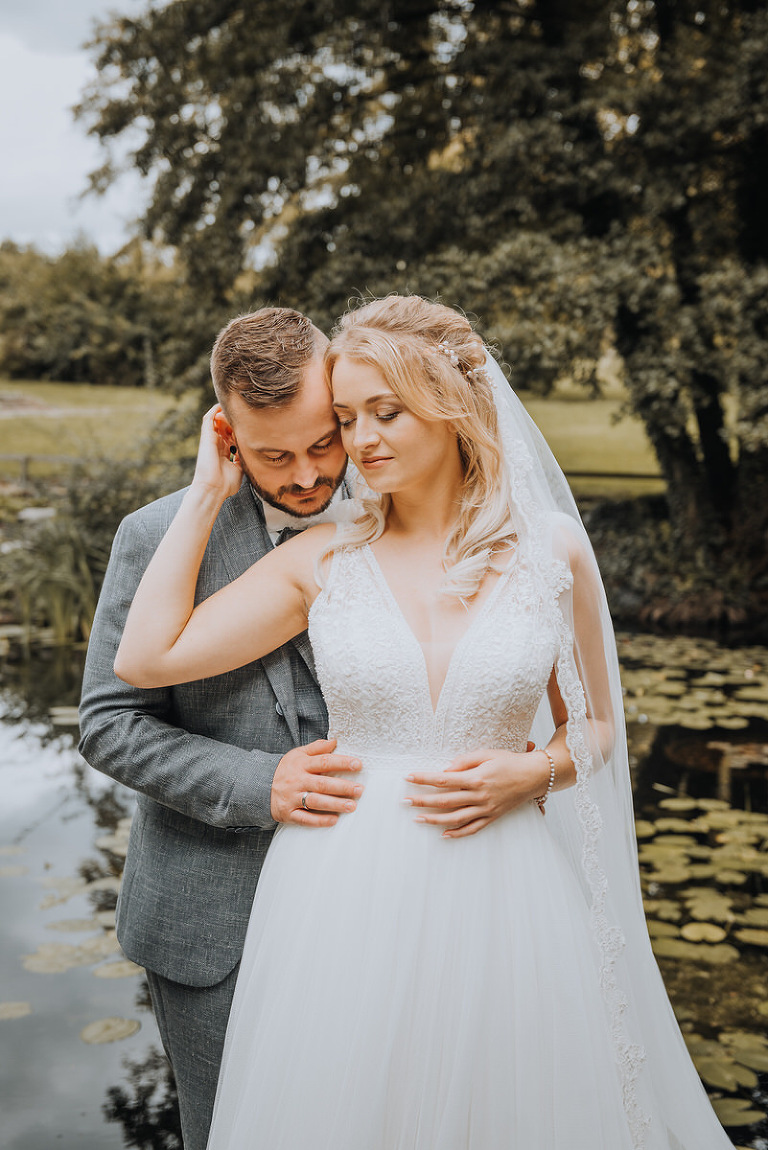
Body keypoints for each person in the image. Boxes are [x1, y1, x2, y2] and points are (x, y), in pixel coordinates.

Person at [114, 295, 735, 1150]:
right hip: (341, 895)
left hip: (508, 888)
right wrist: (207, 490)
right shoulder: (322, 559)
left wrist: (535, 772)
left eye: (384, 412)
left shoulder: (553, 551)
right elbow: (144, 664)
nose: (360, 441)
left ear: (452, 405)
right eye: (347, 417)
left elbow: (595, 726)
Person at [78, 307, 365, 1150]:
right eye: (274, 455)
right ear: (226, 433)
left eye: (325, 441)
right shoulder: (155, 536)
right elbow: (108, 724)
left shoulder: (404, 521)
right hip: (212, 925)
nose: (309, 475)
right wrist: (256, 783)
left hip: (379, 901)